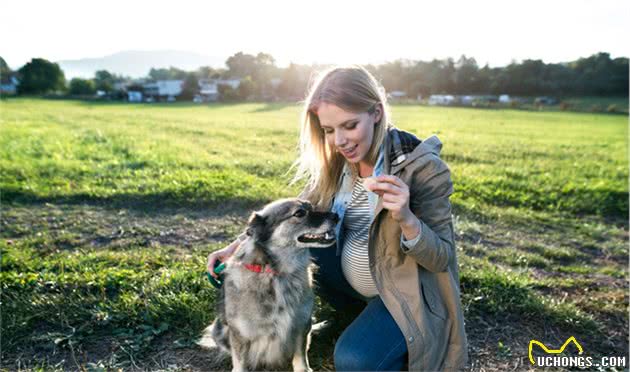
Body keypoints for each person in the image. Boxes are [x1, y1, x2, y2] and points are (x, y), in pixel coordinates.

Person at [207, 65, 468, 371]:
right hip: (349, 286)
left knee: (353, 360)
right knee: (285, 246)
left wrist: (407, 218)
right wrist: (238, 247)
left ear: (377, 113)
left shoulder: (423, 169)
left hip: (402, 296)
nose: (340, 140)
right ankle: (356, 315)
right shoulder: (338, 163)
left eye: (350, 125)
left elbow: (441, 259)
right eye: (329, 131)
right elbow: (293, 217)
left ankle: (389, 335)